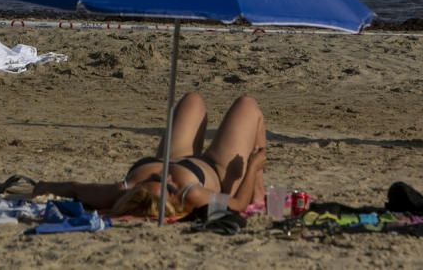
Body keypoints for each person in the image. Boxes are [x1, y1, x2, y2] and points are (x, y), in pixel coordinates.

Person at [31, 92, 267, 219]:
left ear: (137, 189)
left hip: (177, 155)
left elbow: (74, 188)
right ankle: (259, 191)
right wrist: (254, 168)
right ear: (175, 198)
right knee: (247, 105)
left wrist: (41, 186)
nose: (166, 178)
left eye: (153, 180)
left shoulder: (121, 189)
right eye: (170, 187)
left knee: (191, 99)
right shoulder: (191, 195)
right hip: (216, 169)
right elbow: (236, 205)